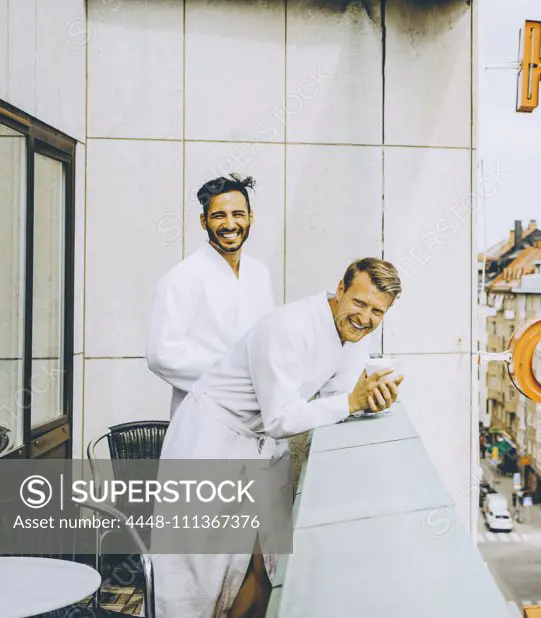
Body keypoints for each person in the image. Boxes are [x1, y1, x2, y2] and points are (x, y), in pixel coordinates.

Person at [153, 258, 405, 617]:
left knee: (264, 562)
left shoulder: (354, 338)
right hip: (209, 441)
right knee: (196, 574)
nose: (365, 318)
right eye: (359, 303)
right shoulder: (289, 327)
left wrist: (373, 399)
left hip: (256, 448)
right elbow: (281, 419)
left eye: (377, 311)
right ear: (340, 289)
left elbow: (344, 395)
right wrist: (352, 401)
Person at [146, 174, 274, 417]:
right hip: (202, 416)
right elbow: (161, 355)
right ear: (204, 221)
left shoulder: (260, 274)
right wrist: (237, 372)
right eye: (218, 215)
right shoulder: (181, 278)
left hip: (255, 414)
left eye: (237, 214)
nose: (229, 224)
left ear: (250, 217)